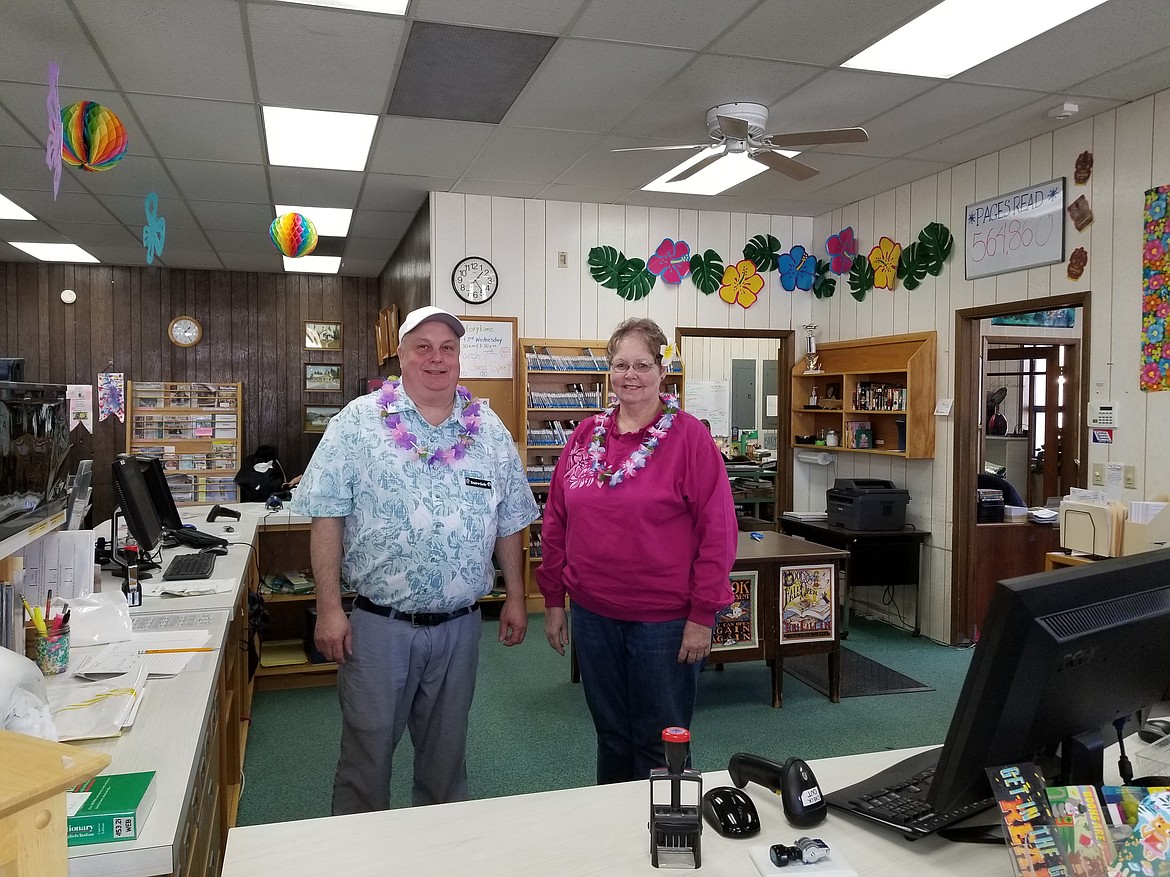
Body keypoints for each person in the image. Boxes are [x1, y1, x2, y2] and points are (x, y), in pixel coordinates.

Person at [291, 305, 539, 814]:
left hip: (461, 626)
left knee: (446, 758)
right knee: (367, 753)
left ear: (459, 358)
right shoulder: (357, 423)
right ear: (399, 356)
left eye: (448, 347)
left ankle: (439, 857)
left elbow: (512, 518)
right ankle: (359, 857)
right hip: (380, 625)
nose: (436, 358)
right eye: (422, 347)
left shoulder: (488, 430)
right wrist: (330, 607)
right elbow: (326, 515)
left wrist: (517, 595)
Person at [537, 317, 737, 784]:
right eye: (621, 364)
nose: (631, 375)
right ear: (609, 370)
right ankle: (614, 836)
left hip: (663, 621)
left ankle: (667, 836)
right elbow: (556, 521)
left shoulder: (690, 438)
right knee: (610, 733)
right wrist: (552, 602)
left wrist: (702, 615)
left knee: (660, 739)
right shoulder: (585, 436)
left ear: (662, 370)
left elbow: (718, 531)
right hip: (594, 613)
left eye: (643, 364)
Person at [234, 444, 301, 502]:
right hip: (271, 494)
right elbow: (282, 480)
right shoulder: (273, 463)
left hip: (253, 494)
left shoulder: (249, 461)